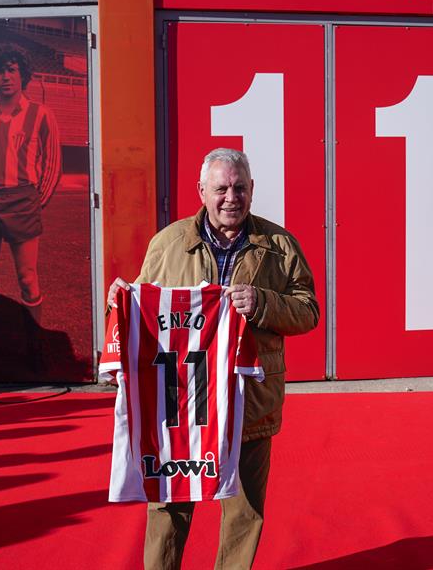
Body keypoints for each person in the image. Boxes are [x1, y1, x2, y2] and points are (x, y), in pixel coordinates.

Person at [106, 147, 319, 570]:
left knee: (244, 514)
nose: (231, 197)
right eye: (221, 188)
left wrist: (263, 302)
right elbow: (143, 309)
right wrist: (121, 300)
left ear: (252, 190)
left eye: (240, 188)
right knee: (168, 508)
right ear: (201, 191)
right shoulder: (168, 243)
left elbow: (308, 311)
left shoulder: (279, 246)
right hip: (182, 405)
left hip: (249, 402)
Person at [0, 44, 61, 323]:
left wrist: (34, 200)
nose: (5, 77)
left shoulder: (41, 114)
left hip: (22, 201)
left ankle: (33, 344)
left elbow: (53, 163)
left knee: (27, 278)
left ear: (22, 75)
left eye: (11, 70)